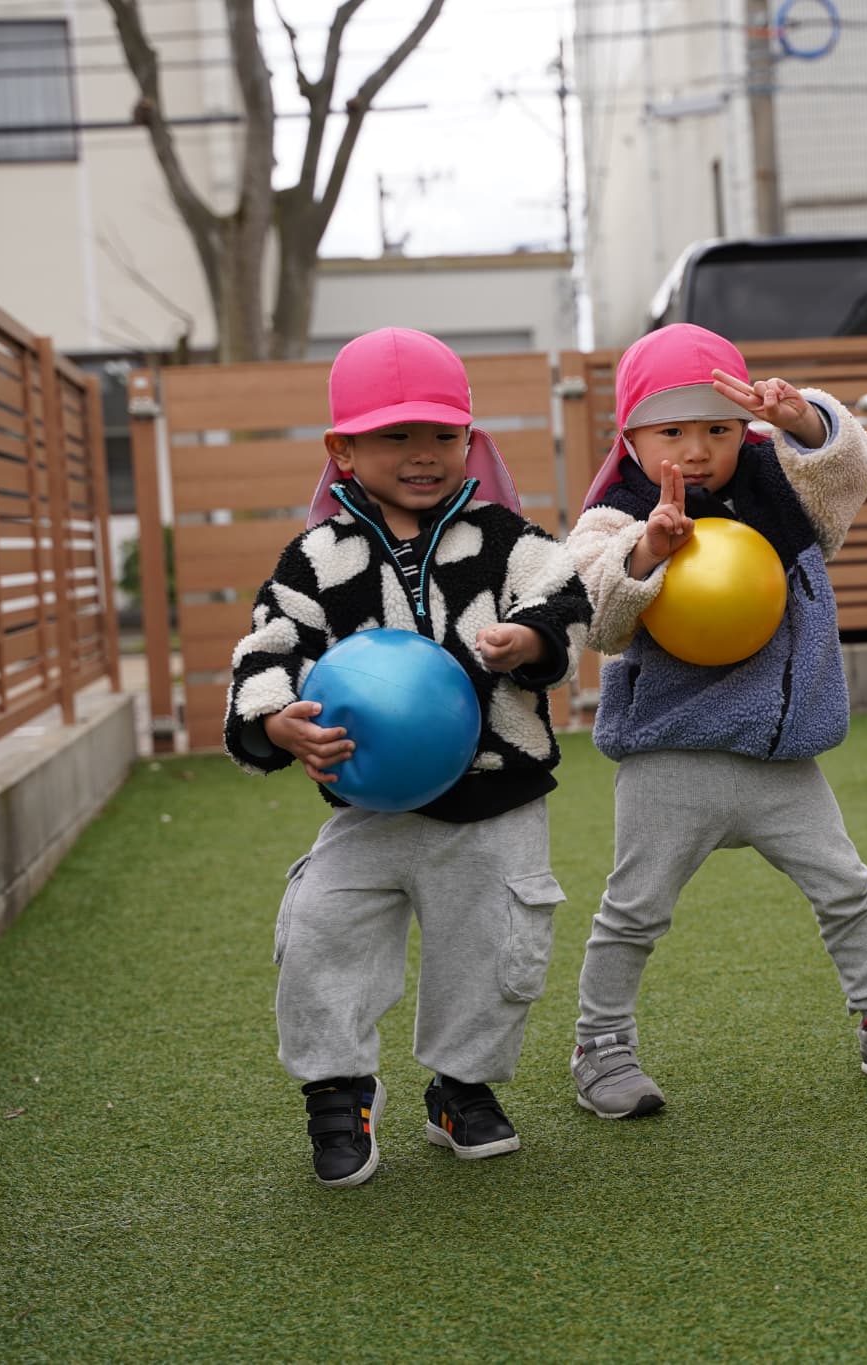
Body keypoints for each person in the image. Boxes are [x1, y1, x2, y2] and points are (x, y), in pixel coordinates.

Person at [565, 323, 867, 1118]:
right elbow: (597, 616)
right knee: (635, 908)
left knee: (845, 885)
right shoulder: (615, 513)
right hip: (670, 753)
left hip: (780, 753)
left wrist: (805, 421)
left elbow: (850, 472)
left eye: (719, 429)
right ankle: (600, 1044)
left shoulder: (780, 484)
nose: (698, 450)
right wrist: (646, 553)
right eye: (672, 432)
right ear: (630, 436)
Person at [223, 327, 592, 1185]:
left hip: (494, 798)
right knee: (322, 931)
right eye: (395, 436)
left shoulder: (504, 537)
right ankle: (337, 1087)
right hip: (372, 802)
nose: (423, 453)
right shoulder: (317, 559)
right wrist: (274, 722)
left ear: (469, 439)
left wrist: (532, 638)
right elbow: (268, 647)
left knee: (492, 946)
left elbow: (564, 593)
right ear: (343, 449)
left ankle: (462, 1086)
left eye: (441, 434)